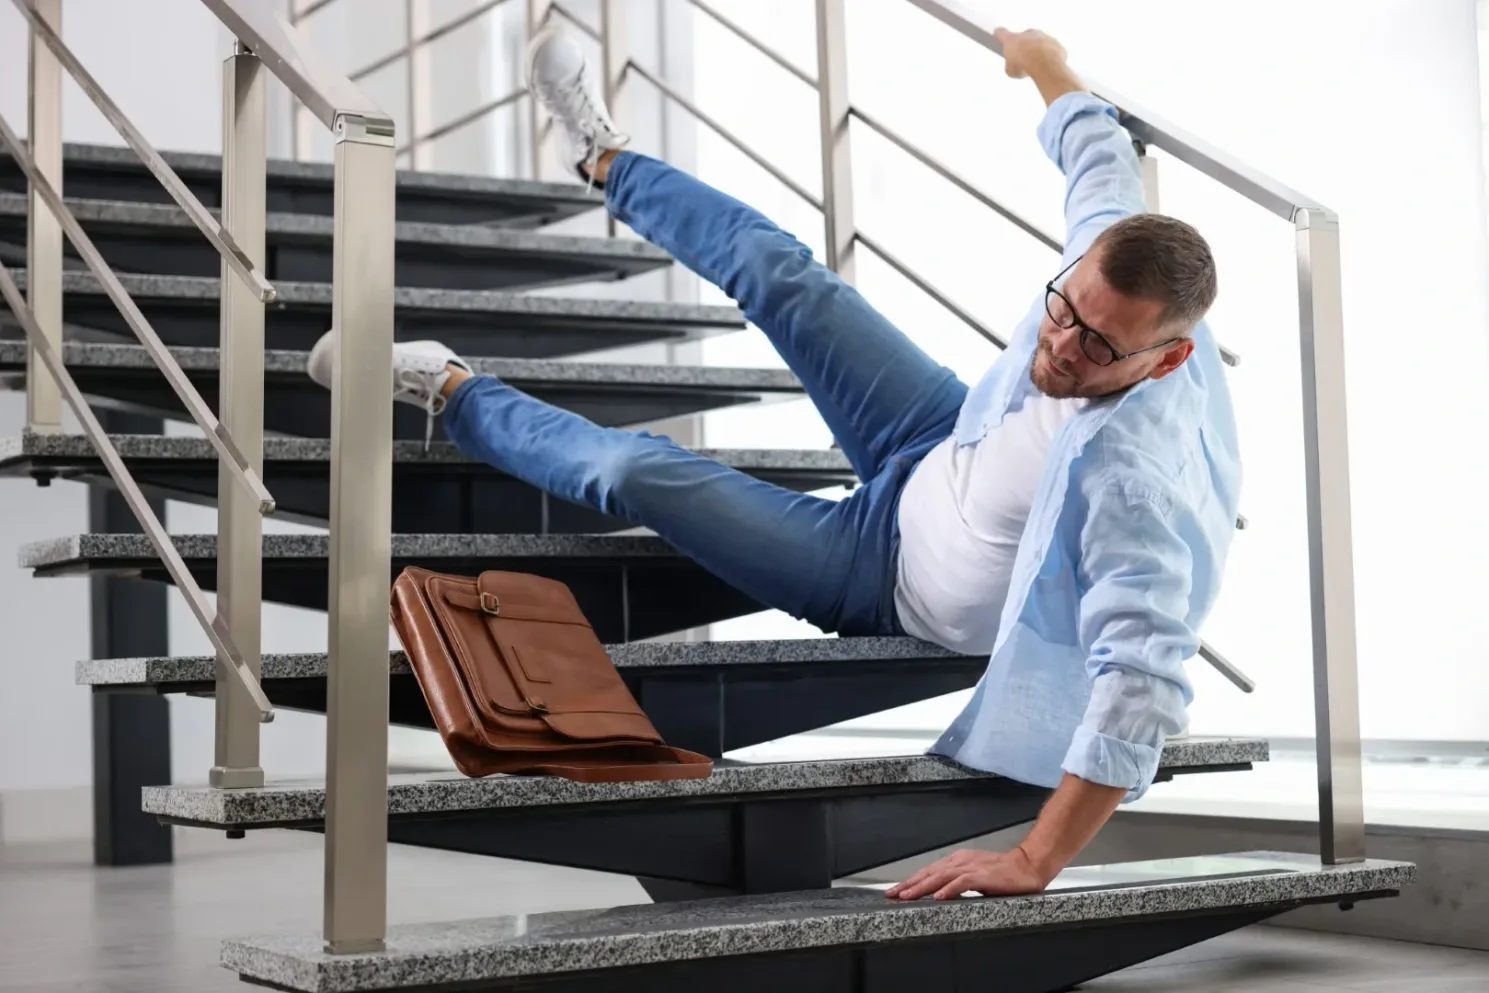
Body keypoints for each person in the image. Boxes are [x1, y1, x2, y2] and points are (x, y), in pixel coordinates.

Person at [308, 25, 1240, 901]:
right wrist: (1045, 62)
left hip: (880, 576)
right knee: (779, 270)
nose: (1063, 345)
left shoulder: (1135, 486)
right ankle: (601, 155)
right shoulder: (1105, 270)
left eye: (1097, 347)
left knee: (641, 477)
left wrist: (1036, 855)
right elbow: (1096, 161)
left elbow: (1143, 678)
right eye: (1061, 309)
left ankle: (451, 392)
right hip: (940, 433)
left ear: (1167, 358)